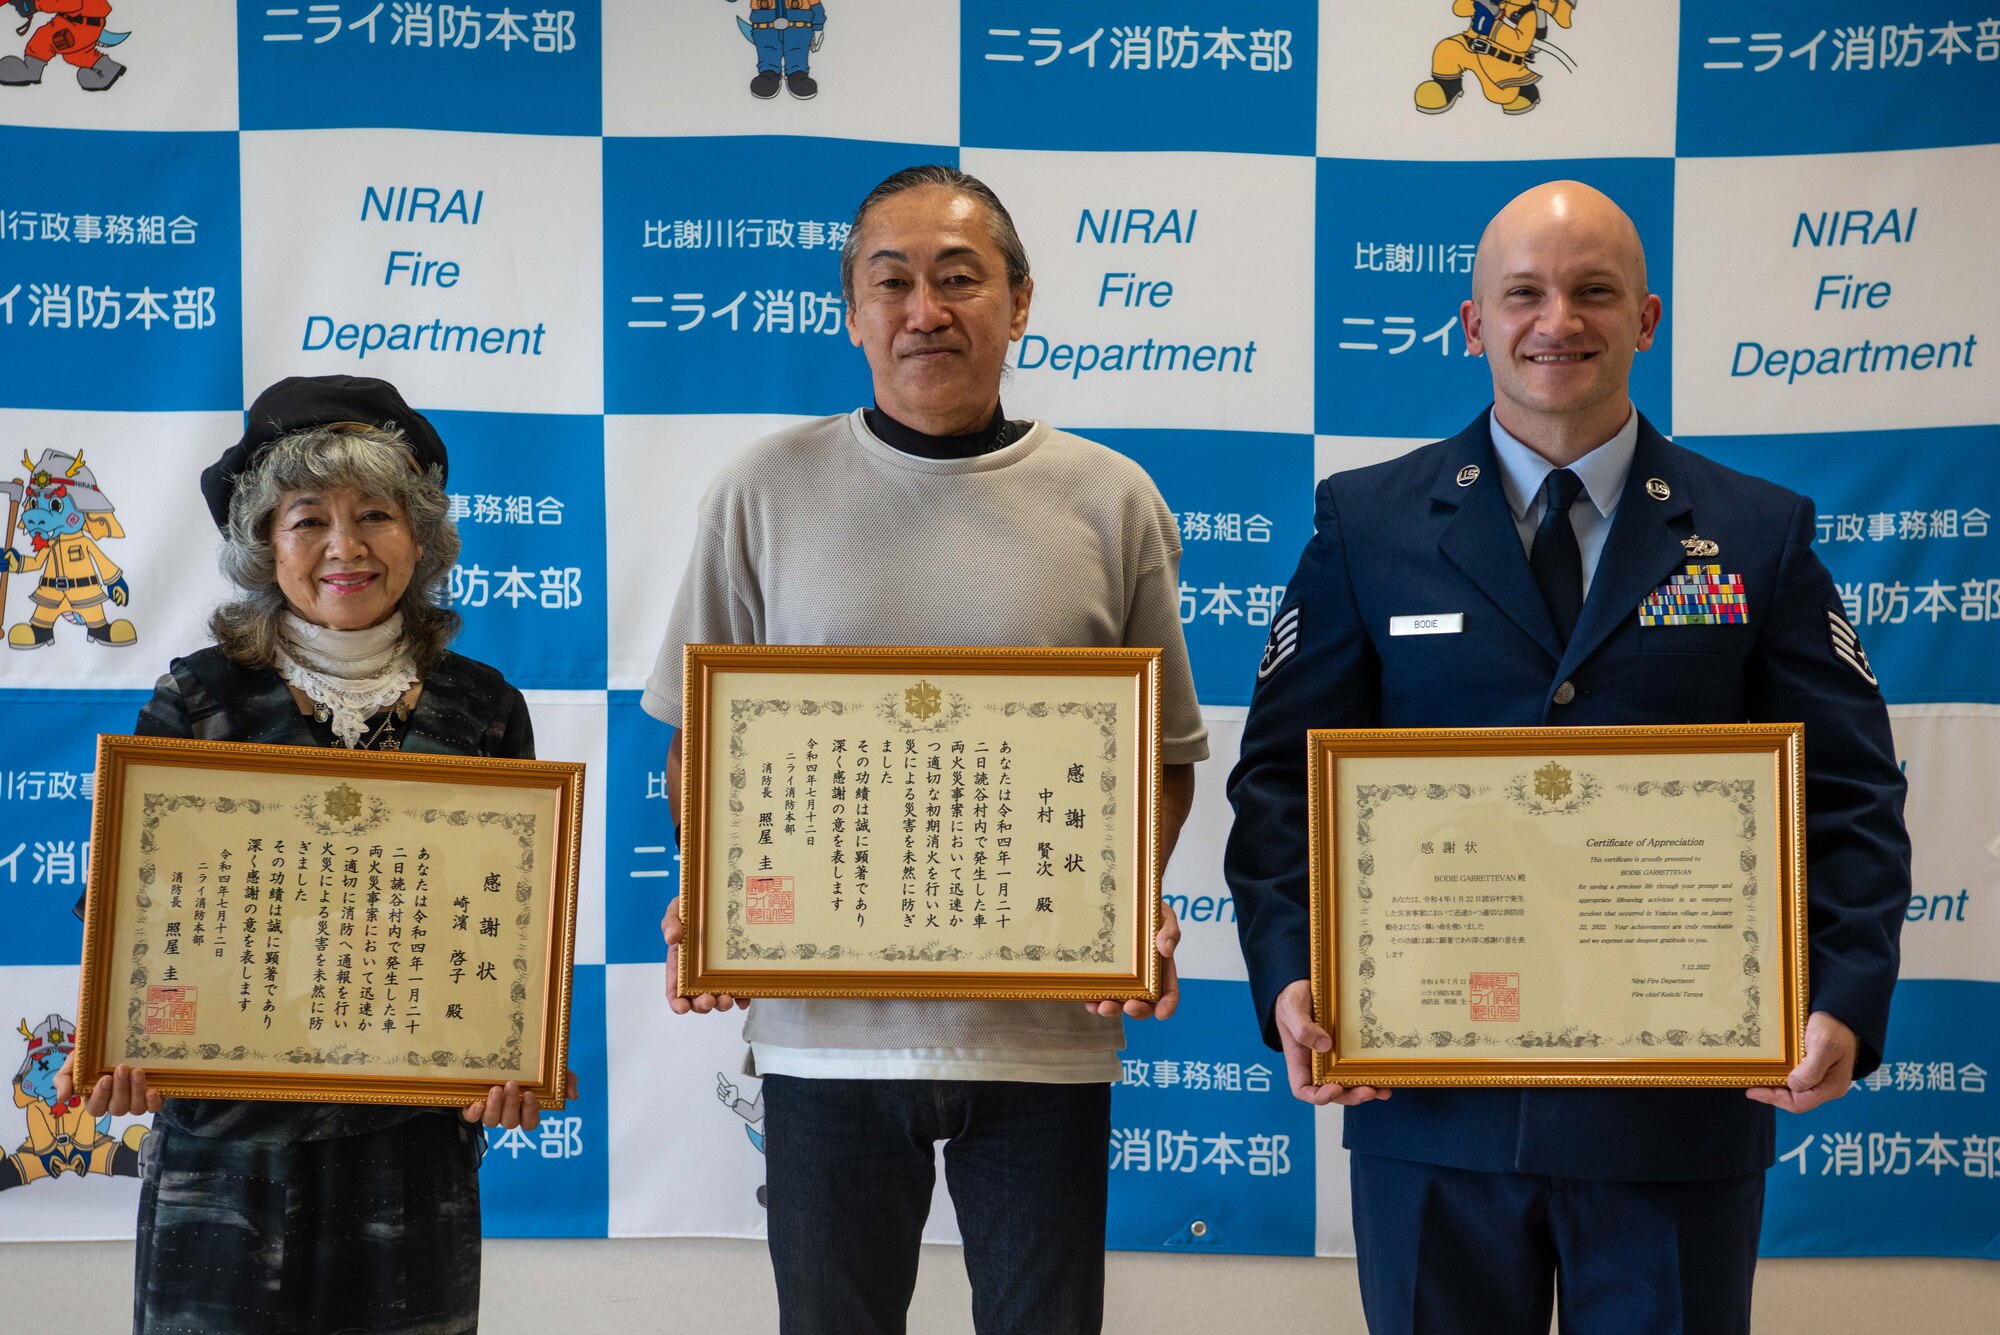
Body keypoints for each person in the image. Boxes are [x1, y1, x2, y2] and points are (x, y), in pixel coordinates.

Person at [1224, 182, 1911, 1334]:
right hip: (1425, 1094)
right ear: (1471, 322)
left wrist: (1840, 999)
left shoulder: (1755, 531)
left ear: (1646, 319)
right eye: (1523, 294)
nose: (1558, 320)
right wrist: (1293, 974)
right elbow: (1279, 781)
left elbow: (1846, 793)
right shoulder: (1367, 524)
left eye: (1593, 292)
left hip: (1675, 1106)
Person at [647, 164, 1208, 1335]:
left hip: (1045, 1034)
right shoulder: (761, 490)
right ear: (848, 309)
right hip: (824, 1036)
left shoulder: (1110, 499)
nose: (924, 309)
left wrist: (1129, 898)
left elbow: (1159, 753)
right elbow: (703, 740)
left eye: (960, 279)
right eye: (889, 280)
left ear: (1019, 300)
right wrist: (713, 885)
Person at [55, 375, 568, 1335]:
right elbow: (124, 909)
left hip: (409, 1149)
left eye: (376, 513)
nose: (346, 546)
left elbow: (513, 921)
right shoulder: (199, 701)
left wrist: (515, 1051)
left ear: (421, 536)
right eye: (308, 519)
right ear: (264, 542)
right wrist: (122, 1033)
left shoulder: (483, 706)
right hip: (226, 1154)